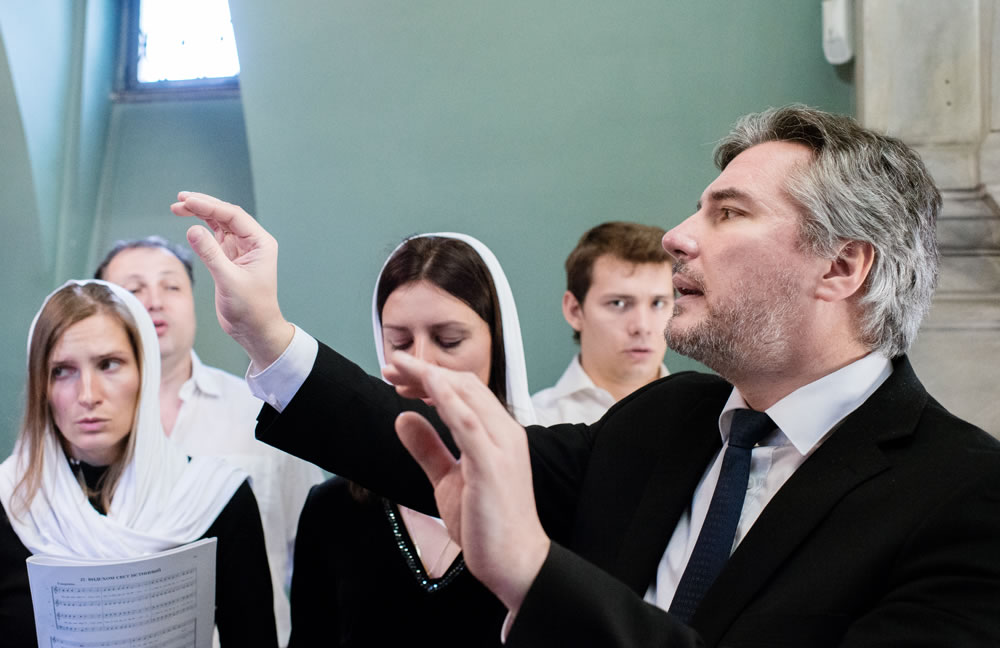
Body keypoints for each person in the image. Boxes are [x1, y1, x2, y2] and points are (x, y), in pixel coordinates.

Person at [172, 104, 1000, 647]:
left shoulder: (963, 498)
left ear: (843, 266)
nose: (677, 236)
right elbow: (458, 457)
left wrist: (537, 576)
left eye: (728, 213)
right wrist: (268, 336)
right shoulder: (669, 419)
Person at [288, 233, 535, 647]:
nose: (420, 364)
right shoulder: (333, 508)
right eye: (400, 343)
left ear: (498, 340)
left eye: (448, 341)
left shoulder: (546, 499)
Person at [0, 280, 277, 647]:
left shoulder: (213, 497)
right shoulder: (9, 501)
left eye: (108, 364)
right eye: (62, 371)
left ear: (145, 373)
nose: (88, 395)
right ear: (41, 387)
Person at [94, 236, 323, 647]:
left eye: (171, 286)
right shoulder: (84, 430)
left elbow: (316, 553)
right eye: (134, 289)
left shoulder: (263, 413)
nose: (155, 302)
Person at [531, 221, 673, 425]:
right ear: (574, 311)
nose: (642, 327)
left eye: (658, 303)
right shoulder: (532, 422)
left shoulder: (711, 417)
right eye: (618, 303)